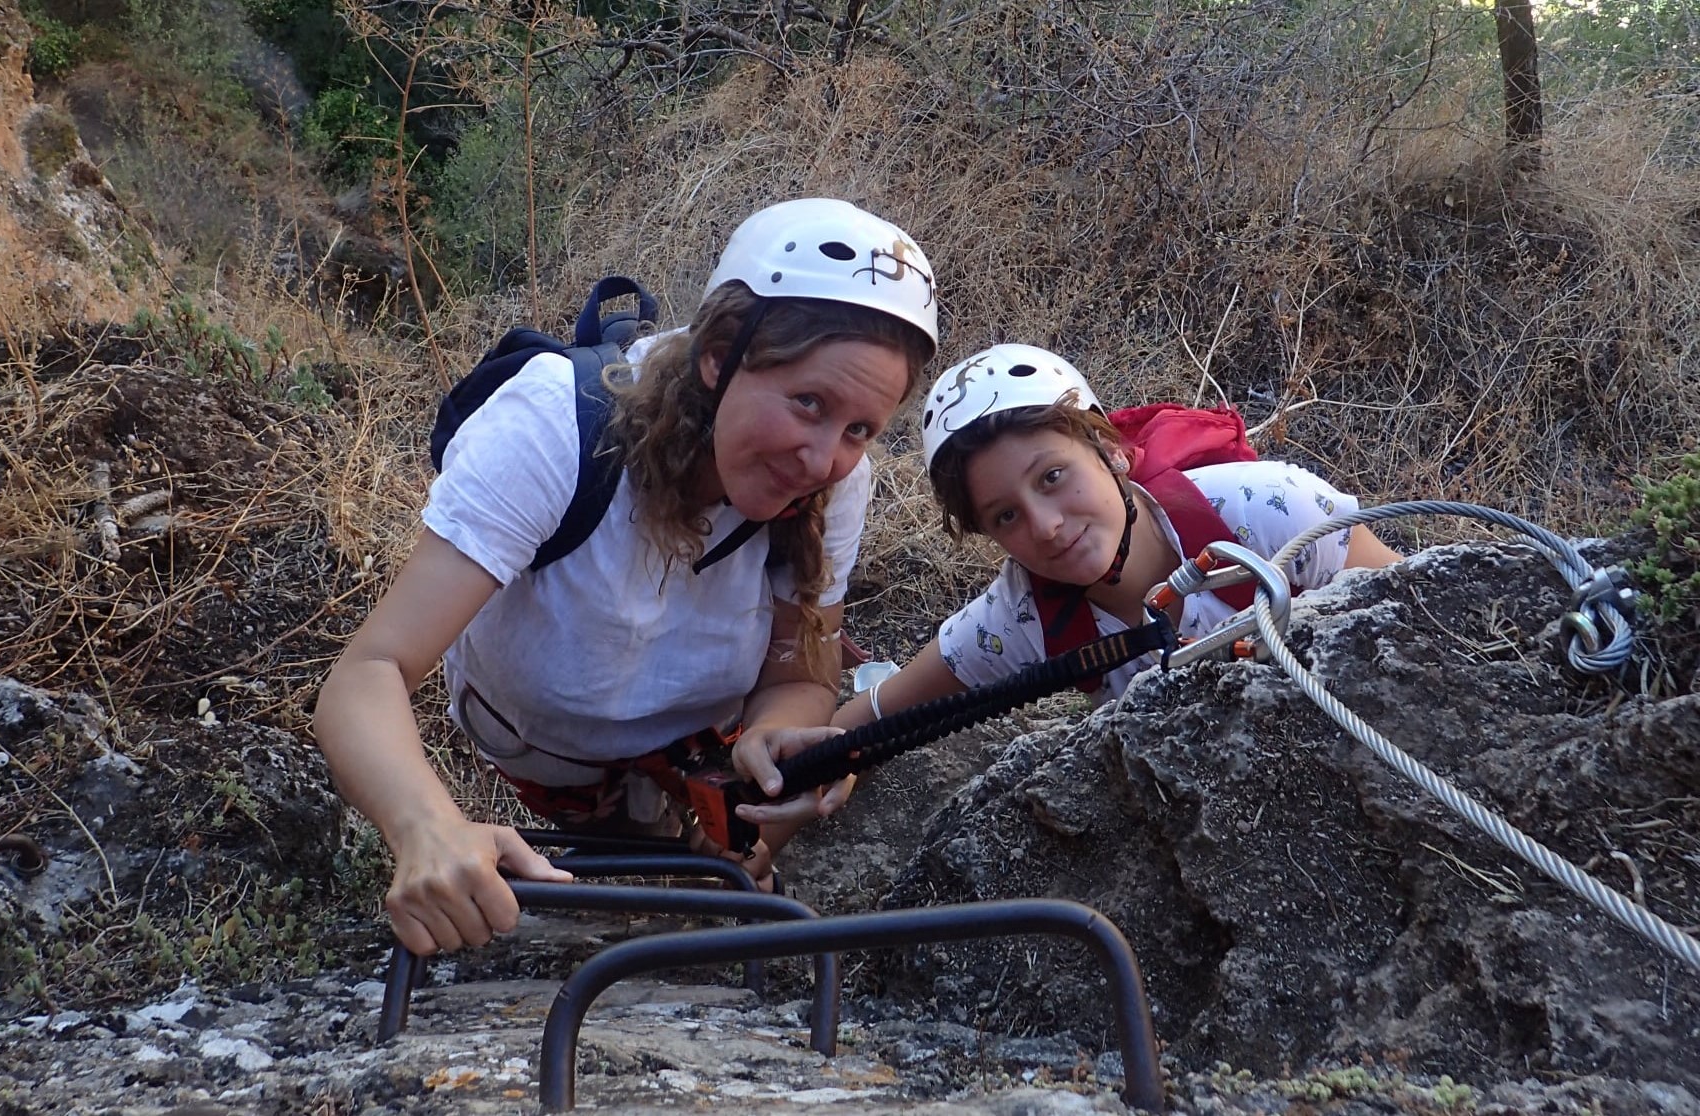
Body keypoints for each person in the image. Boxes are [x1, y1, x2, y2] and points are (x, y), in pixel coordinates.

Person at [313, 199, 939, 955]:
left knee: (701, 875)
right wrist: (426, 827)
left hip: (701, 733)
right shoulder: (554, 424)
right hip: (548, 744)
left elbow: (799, 665)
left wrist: (774, 739)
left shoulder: (838, 483)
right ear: (719, 356)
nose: (822, 459)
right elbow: (368, 673)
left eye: (859, 429)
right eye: (808, 402)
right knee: (619, 863)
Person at [831, 343, 1400, 730]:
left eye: (1053, 477)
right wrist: (825, 757)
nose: (1046, 526)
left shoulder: (1265, 510)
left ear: (1112, 453)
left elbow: (1414, 606)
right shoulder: (1023, 617)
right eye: (1005, 516)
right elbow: (879, 714)